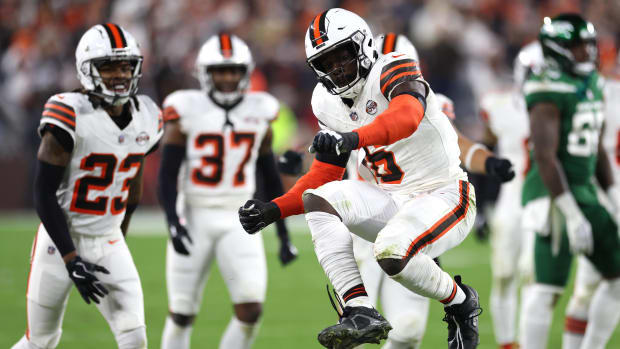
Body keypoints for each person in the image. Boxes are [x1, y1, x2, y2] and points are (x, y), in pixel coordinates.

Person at [239, 9, 481, 349]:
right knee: (319, 199)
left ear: (364, 47)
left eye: (342, 56)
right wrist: (273, 209)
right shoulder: (326, 102)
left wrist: (352, 139)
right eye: (326, 62)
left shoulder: (393, 65)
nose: (336, 68)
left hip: (443, 193)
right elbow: (323, 174)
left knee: (390, 252)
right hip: (391, 197)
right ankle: (359, 308)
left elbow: (407, 116)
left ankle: (460, 302)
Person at [342, 32, 514, 349]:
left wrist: (488, 163)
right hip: (368, 218)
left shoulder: (427, 101)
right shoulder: (345, 103)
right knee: (354, 327)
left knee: (406, 331)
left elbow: (457, 145)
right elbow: (328, 150)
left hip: (409, 214)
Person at [12, 23, 161, 349]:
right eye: (108, 67)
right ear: (88, 70)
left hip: (108, 239)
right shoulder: (69, 112)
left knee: (134, 337)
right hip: (59, 239)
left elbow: (132, 180)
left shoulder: (147, 116)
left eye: (126, 65)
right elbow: (43, 191)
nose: (120, 74)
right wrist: (70, 257)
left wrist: (120, 235)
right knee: (41, 342)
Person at [158, 33, 295, 349]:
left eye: (233, 70)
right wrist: (173, 222)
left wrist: (283, 233)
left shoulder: (261, 110)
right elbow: (166, 176)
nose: (228, 77)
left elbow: (269, 176)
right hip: (194, 212)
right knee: (181, 312)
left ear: (245, 72)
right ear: (205, 73)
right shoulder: (185, 109)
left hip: (240, 217)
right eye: (220, 70)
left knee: (251, 309)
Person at [519, 14, 620, 349]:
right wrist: (572, 214)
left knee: (616, 278)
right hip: (554, 195)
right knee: (547, 290)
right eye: (578, 47)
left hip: (585, 192)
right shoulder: (546, 85)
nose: (587, 53)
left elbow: (597, 150)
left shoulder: (593, 82)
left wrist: (615, 198)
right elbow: (547, 158)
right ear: (558, 49)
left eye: (589, 46)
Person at [478, 41, 543, 349]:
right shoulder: (498, 105)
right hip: (511, 196)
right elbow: (485, 153)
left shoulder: (565, 105)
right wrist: (479, 205)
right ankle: (508, 343)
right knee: (504, 272)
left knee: (533, 275)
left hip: (545, 195)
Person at [560, 48, 620, 349]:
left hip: (599, 189)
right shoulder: (596, 91)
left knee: (592, 286)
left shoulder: (590, 90)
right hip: (603, 191)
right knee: (595, 284)